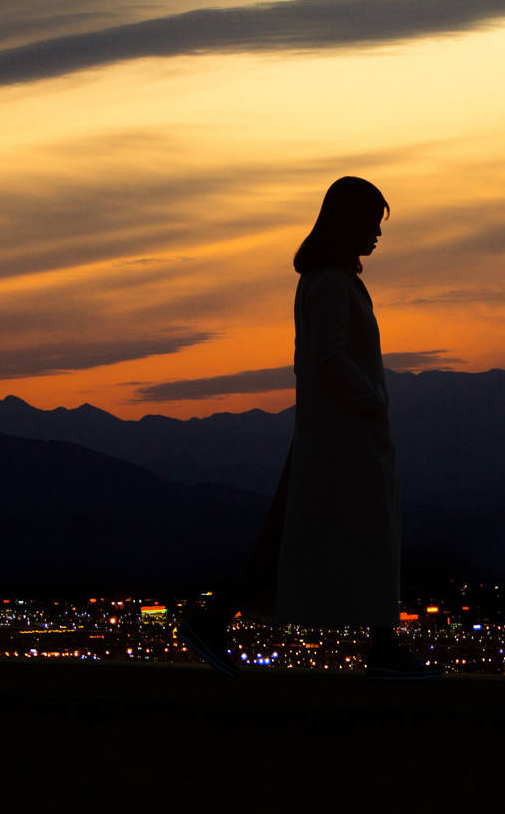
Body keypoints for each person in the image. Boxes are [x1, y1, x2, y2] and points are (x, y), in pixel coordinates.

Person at [180, 176, 439, 680]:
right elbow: (326, 357)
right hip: (344, 439)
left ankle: (214, 621)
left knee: (298, 534)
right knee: (365, 534)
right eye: (371, 223)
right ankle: (382, 644)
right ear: (348, 222)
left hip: (336, 436)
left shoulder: (332, 279)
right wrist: (371, 401)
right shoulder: (329, 283)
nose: (377, 235)